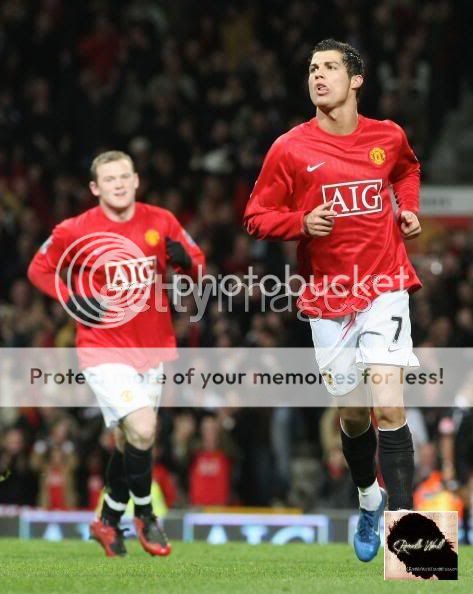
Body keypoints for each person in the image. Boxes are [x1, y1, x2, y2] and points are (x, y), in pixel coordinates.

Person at [244, 39, 422, 562]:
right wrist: (299, 223)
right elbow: (255, 215)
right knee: (353, 416)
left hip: (385, 283)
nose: (318, 76)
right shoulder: (290, 148)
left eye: (329, 68)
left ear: (356, 79)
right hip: (326, 296)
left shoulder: (387, 137)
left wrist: (406, 210)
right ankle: (369, 499)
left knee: (389, 404)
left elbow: (407, 171)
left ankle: (413, 547)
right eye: (312, 69)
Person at [28, 150, 205, 557]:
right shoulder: (76, 229)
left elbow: (195, 261)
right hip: (102, 348)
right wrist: (72, 297)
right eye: (110, 179)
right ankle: (145, 515)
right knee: (143, 429)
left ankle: (107, 520)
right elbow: (39, 268)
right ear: (95, 188)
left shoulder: (162, 220)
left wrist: (187, 266)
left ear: (137, 180)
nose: (119, 184)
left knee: (131, 443)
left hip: (153, 348)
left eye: (125, 176)